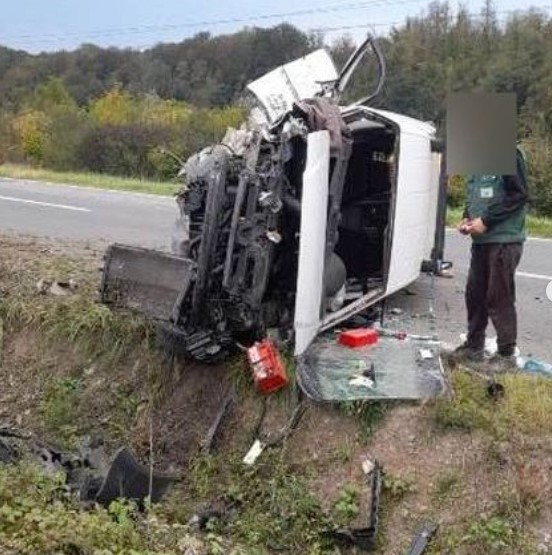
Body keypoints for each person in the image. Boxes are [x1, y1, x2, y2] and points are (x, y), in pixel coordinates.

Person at [451, 145, 529, 371]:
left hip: (504, 239)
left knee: (498, 296)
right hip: (482, 242)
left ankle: (506, 355)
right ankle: (474, 346)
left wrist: (485, 221)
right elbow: (475, 197)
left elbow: (519, 195)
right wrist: (467, 219)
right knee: (475, 294)